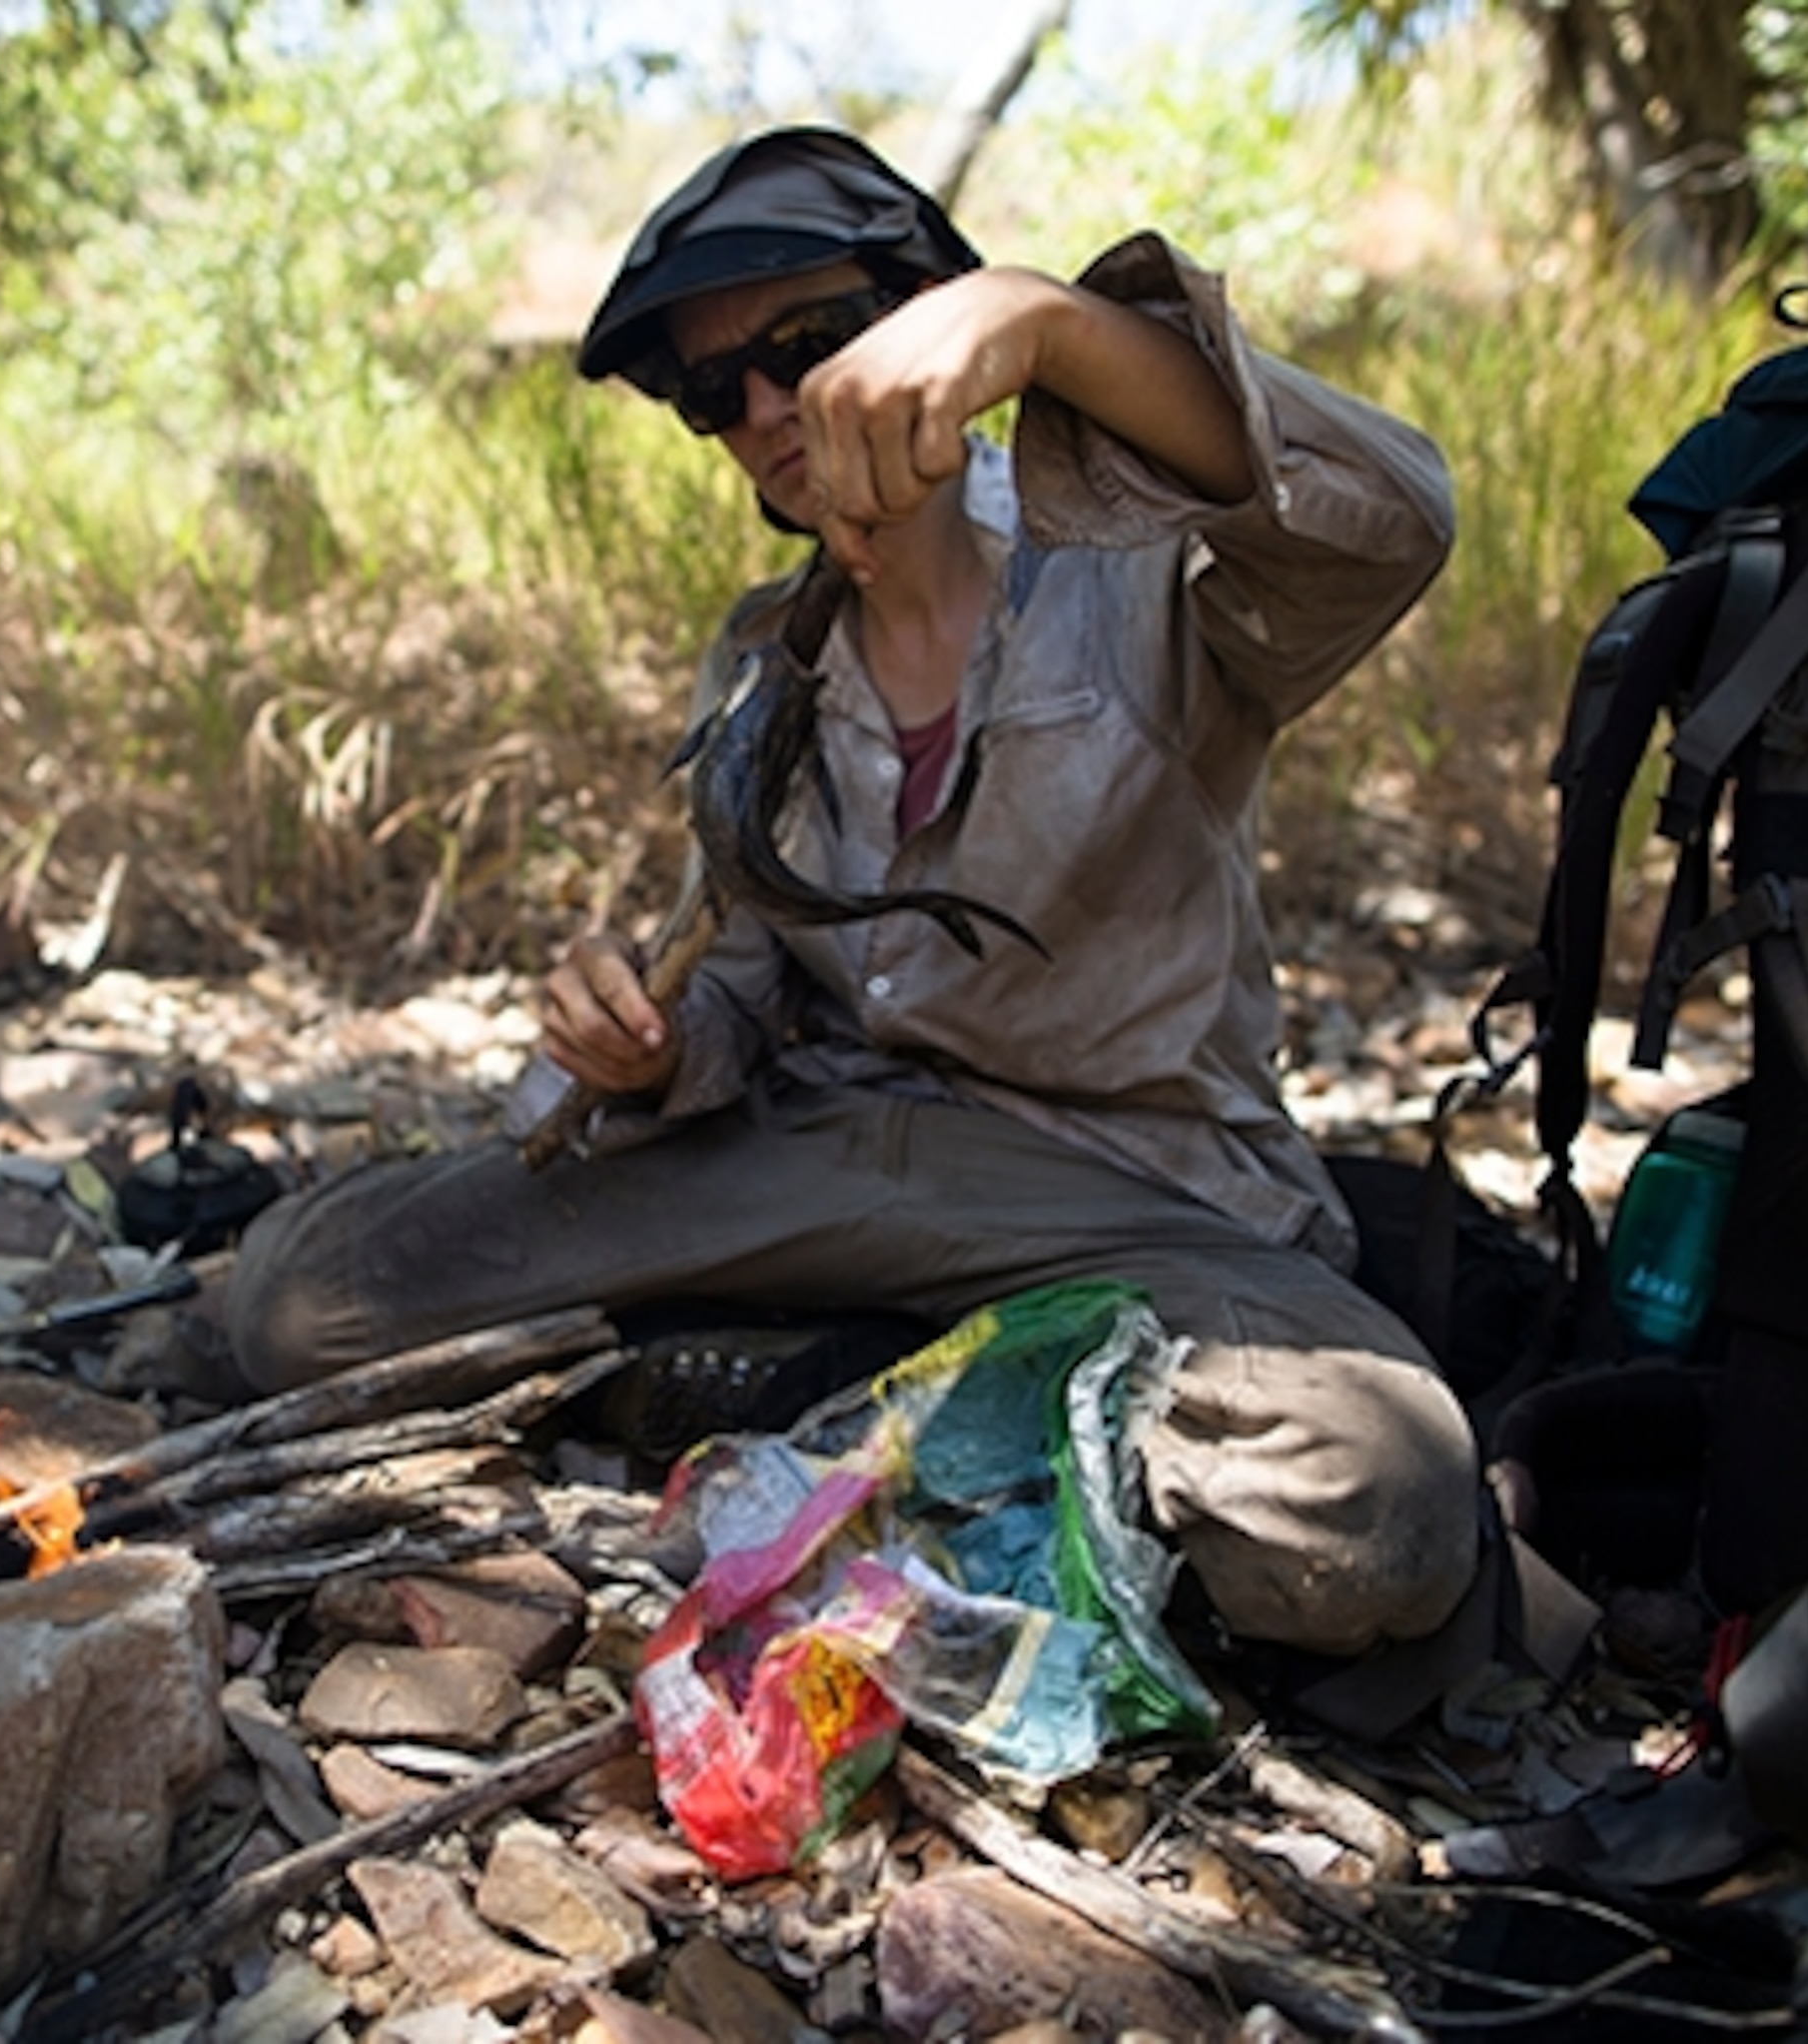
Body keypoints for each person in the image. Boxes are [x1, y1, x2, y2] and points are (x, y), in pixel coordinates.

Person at [218, 125, 1483, 1666]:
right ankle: (912, 1404)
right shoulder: (764, 662)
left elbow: (1390, 515)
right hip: (808, 1153)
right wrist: (651, 1048)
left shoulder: (1142, 574)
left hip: (1117, 1187)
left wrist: (1055, 326)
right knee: (297, 1304)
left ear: (926, 316)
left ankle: (823, 1391)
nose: (766, 411)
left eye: (807, 344)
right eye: (712, 391)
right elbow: (744, 979)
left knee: (1382, 1502)